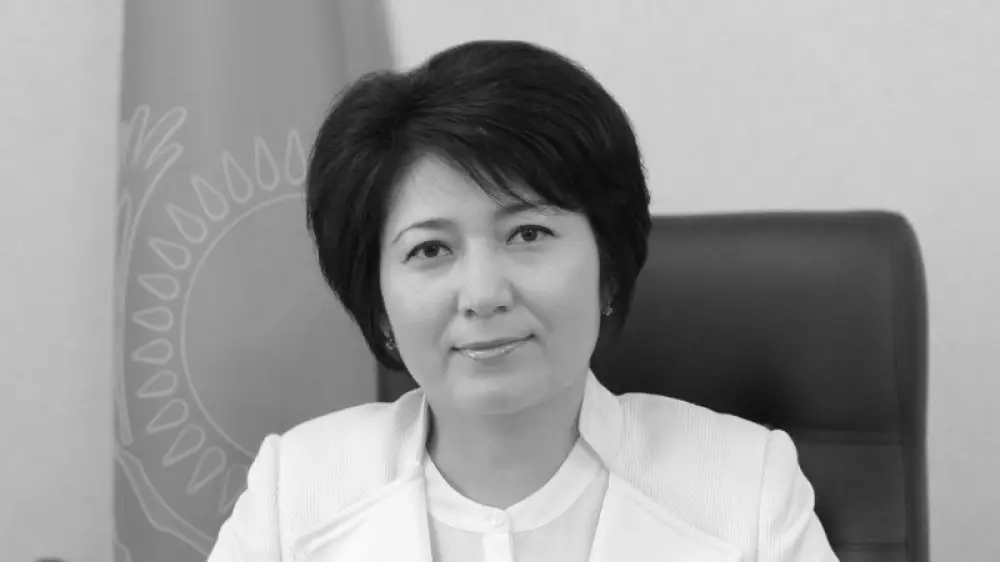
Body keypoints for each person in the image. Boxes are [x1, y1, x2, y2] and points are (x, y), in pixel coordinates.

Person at [207, 40, 838, 562]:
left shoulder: (745, 487)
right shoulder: (296, 493)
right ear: (378, 305)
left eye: (527, 234)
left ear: (608, 269)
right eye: (430, 249)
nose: (483, 295)